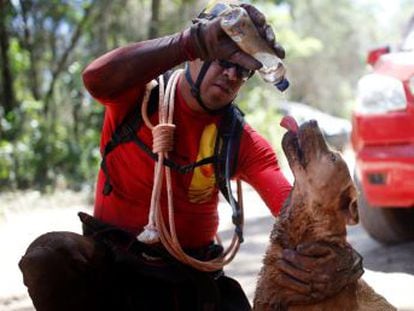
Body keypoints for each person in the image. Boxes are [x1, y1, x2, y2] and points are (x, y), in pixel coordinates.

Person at [19, 2, 363, 311]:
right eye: (223, 60)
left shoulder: (240, 140)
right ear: (196, 55)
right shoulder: (136, 99)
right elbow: (94, 79)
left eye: (243, 70)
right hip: (113, 267)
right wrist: (191, 40)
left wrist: (342, 258)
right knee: (49, 257)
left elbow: (293, 211)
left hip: (190, 279)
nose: (231, 74)